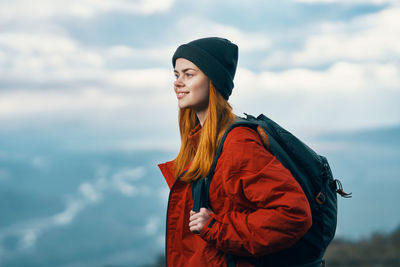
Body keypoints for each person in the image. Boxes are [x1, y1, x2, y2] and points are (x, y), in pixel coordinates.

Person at [158, 37, 313, 267]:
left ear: (213, 81)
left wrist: (215, 227)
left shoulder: (237, 143)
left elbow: (293, 213)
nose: (178, 83)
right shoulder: (203, 142)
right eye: (176, 74)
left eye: (189, 74)